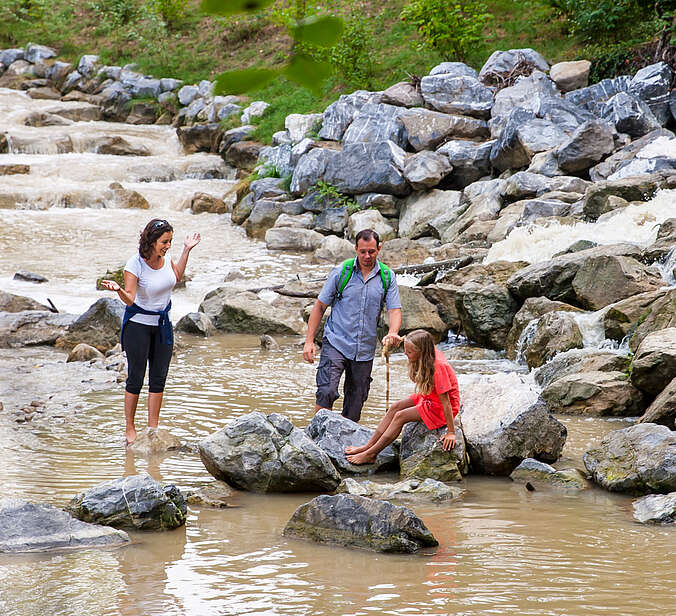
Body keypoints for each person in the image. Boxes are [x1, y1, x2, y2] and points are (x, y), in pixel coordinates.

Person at [101, 218, 201, 446]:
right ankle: (130, 429)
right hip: (138, 326)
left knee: (159, 379)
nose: (168, 246)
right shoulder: (134, 264)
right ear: (152, 241)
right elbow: (130, 299)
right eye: (164, 242)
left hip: (162, 325)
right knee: (136, 377)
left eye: (171, 241)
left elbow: (176, 277)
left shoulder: (164, 259)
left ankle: (153, 428)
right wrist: (118, 290)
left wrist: (186, 250)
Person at [303, 228, 402, 423]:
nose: (367, 256)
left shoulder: (387, 277)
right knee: (327, 391)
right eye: (363, 251)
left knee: (355, 403)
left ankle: (346, 446)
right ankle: (316, 440)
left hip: (364, 349)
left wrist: (393, 332)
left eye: (371, 251)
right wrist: (309, 341)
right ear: (355, 248)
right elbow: (320, 306)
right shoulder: (341, 272)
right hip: (336, 342)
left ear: (379, 249)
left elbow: (394, 310)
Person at [345, 329, 459, 465]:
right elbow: (419, 340)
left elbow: (446, 403)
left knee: (401, 416)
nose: (406, 354)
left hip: (441, 408)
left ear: (421, 351)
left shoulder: (438, 367)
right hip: (430, 397)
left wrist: (451, 432)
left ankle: (371, 454)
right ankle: (367, 446)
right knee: (395, 407)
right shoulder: (427, 352)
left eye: (409, 352)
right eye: (406, 350)